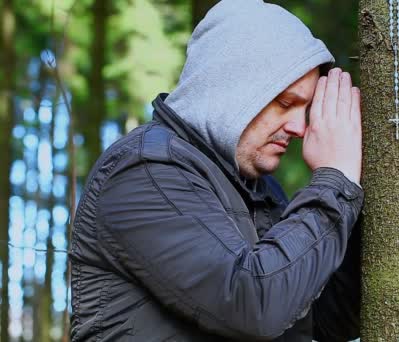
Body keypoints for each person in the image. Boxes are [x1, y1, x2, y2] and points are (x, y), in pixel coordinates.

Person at [68, 0, 363, 341]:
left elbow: (328, 319)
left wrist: (354, 192)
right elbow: (253, 305)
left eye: (306, 108)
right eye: (285, 104)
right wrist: (333, 179)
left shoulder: (260, 189)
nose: (299, 126)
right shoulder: (143, 171)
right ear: (232, 87)